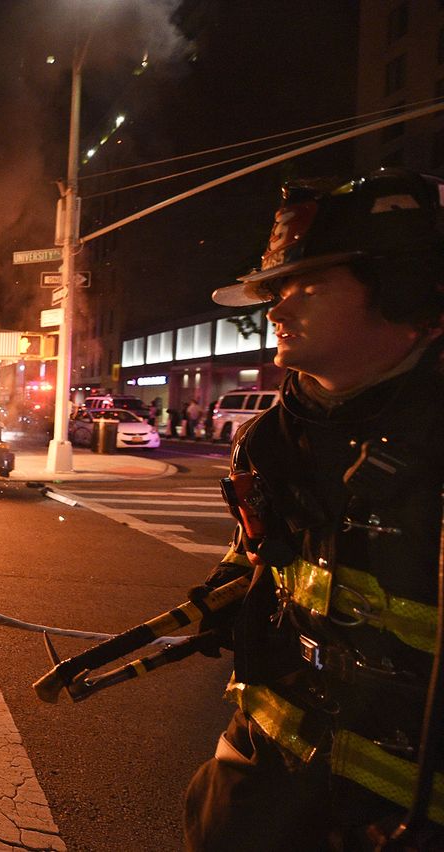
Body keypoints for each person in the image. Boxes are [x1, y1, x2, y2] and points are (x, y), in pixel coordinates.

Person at [184, 168, 444, 849]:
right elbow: (262, 564)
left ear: (400, 286)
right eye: (274, 290)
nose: (275, 309)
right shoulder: (269, 439)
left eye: (307, 285)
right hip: (262, 784)